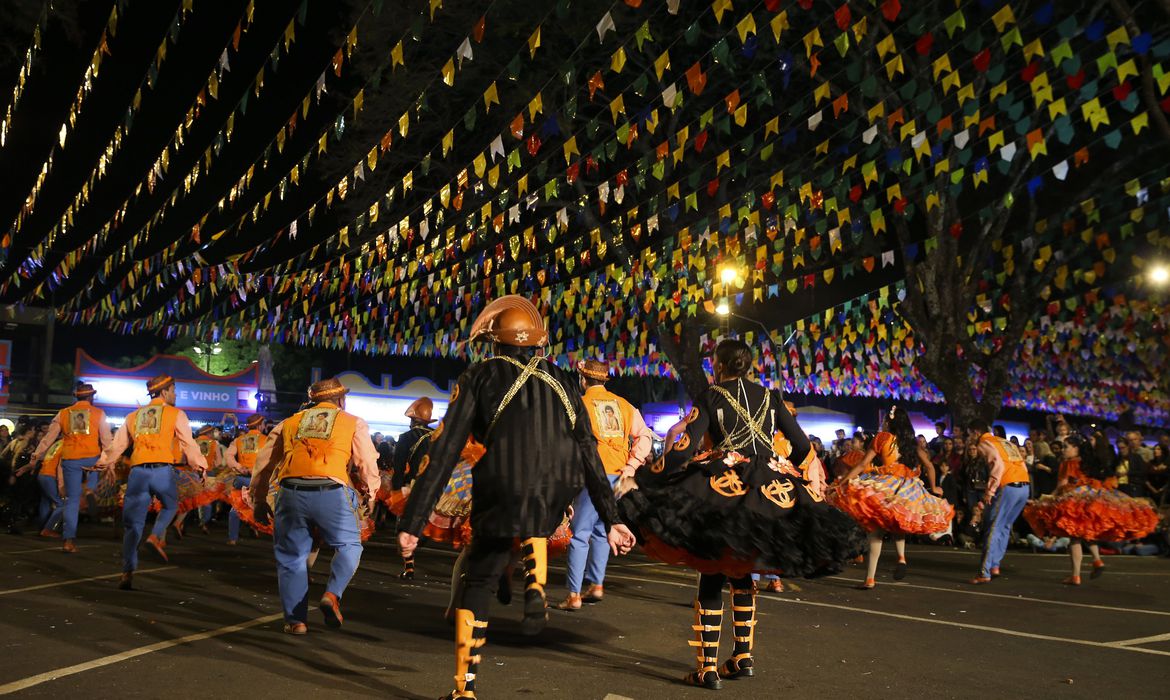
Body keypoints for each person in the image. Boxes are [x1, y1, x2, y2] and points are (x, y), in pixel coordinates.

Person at [396, 295, 635, 700]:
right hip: (556, 492)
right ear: (539, 344)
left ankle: (464, 690)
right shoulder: (561, 380)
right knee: (536, 522)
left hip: (503, 486)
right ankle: (535, 584)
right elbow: (588, 453)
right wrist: (613, 518)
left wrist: (413, 522)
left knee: (479, 578)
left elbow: (446, 450)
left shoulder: (480, 375)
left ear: (494, 343)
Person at [620, 339, 863, 690]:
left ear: (719, 365)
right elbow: (801, 447)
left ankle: (707, 667)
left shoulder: (712, 396)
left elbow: (684, 447)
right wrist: (781, 468)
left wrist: (644, 477)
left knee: (713, 565)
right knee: (744, 563)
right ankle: (742, 656)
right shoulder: (770, 397)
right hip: (768, 487)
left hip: (723, 485)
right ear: (746, 366)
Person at [249, 378, 380, 635]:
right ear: (340, 400)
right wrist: (372, 493)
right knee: (349, 545)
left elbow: (264, 463)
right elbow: (366, 461)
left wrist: (258, 498)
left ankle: (296, 622)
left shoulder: (290, 422)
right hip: (331, 490)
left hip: (289, 492)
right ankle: (332, 594)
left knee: (291, 558)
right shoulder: (352, 421)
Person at [555, 358, 654, 612]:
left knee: (580, 533)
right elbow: (645, 436)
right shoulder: (624, 405)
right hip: (619, 477)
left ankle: (574, 594)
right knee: (603, 528)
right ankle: (596, 584)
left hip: (592, 476)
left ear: (583, 379)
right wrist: (631, 466)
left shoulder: (580, 404)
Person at [96, 375, 208, 589]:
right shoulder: (176, 414)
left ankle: (127, 572)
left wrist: (102, 462)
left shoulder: (133, 416)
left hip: (137, 472)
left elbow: (118, 445)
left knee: (133, 526)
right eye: (174, 390)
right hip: (161, 471)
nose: (176, 394)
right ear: (165, 392)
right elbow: (189, 444)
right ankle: (156, 536)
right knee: (171, 505)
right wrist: (200, 466)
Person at [832, 406, 952, 588]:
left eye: (885, 420)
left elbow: (863, 464)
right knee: (900, 521)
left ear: (889, 421)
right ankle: (902, 558)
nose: (883, 423)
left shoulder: (882, 438)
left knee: (876, 531)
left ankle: (870, 578)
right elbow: (929, 466)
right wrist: (934, 486)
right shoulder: (911, 442)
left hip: (885, 484)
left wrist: (843, 482)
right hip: (908, 486)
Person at [1024, 435, 1159, 585]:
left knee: (1074, 537)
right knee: (1086, 532)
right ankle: (1097, 560)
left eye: (1066, 447)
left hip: (1073, 502)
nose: (1063, 450)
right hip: (1090, 500)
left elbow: (1062, 484)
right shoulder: (1087, 462)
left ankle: (1076, 575)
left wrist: (1049, 498)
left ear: (1076, 448)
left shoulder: (1068, 463)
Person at [28, 383, 113, 552]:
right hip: (91, 457)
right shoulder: (99, 414)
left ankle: (68, 541)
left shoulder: (63, 414)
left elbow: (48, 438)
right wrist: (109, 461)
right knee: (96, 468)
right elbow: (106, 441)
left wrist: (35, 456)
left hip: (70, 459)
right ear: (91, 397)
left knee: (72, 502)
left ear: (77, 396)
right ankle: (90, 488)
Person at [967, 420, 1032, 584]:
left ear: (976, 432)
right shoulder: (1005, 441)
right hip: (1023, 485)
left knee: (993, 527)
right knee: (1004, 525)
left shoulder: (984, 442)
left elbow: (998, 465)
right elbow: (1022, 465)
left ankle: (985, 571)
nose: (970, 439)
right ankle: (995, 564)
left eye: (969, 434)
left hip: (1007, 485)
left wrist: (990, 491)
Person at [391, 397, 438, 579]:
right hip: (434, 486)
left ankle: (409, 566)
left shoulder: (405, 438)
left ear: (412, 420)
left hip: (411, 487)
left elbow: (399, 466)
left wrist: (395, 490)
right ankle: (418, 542)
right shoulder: (437, 435)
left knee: (405, 526)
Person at [225, 414, 268, 545]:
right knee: (262, 506)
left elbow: (228, 456)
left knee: (236, 507)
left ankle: (233, 538)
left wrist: (239, 467)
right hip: (258, 480)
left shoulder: (239, 440)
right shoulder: (266, 440)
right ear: (260, 425)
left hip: (241, 478)